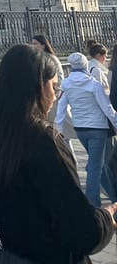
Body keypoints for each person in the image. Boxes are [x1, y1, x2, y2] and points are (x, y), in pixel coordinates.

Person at [0, 45, 117, 264]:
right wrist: (105, 219)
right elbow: (81, 231)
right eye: (53, 86)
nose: (54, 95)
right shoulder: (42, 140)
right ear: (38, 87)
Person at [55, 52, 117, 206]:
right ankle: (93, 203)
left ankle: (113, 195)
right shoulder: (93, 84)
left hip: (80, 128)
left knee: (97, 165)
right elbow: (107, 108)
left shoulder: (67, 84)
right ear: (85, 65)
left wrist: (58, 127)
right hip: (98, 128)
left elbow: (61, 107)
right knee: (96, 167)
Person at [31, 34, 64, 122]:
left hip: (52, 94)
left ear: (43, 46)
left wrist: (54, 90)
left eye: (35, 44)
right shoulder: (36, 58)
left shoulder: (50, 58)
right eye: (32, 44)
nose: (33, 46)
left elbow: (59, 77)